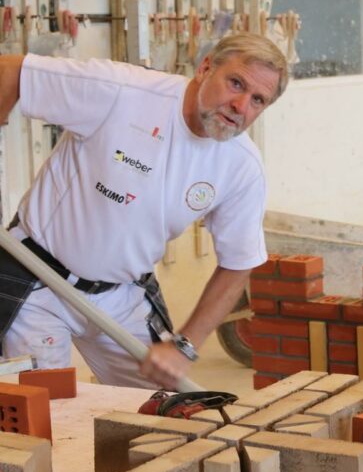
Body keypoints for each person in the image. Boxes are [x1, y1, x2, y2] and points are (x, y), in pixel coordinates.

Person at [0, 32, 289, 391]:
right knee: (41, 413)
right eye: (235, 83)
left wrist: (185, 346)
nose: (240, 105)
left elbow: (239, 262)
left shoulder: (241, 167)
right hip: (38, 277)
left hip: (123, 294)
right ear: (205, 68)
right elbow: (10, 73)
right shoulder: (122, 92)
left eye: (257, 100)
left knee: (161, 414)